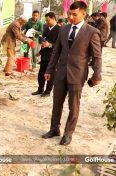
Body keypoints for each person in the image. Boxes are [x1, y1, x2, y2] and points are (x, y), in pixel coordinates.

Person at [42, 1, 102, 145]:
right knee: (57, 103)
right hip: (60, 72)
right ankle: (54, 128)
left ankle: (68, 133)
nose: (70, 17)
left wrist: (97, 75)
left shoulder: (91, 32)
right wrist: (49, 70)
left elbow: (97, 56)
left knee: (73, 105)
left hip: (78, 73)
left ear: (83, 14)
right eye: (69, 14)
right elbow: (56, 51)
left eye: (74, 14)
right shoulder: (63, 29)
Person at [32, 12, 60, 97]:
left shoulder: (59, 30)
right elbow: (44, 41)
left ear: (53, 18)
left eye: (48, 20)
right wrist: (40, 52)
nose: (47, 22)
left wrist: (50, 45)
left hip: (53, 56)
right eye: (46, 20)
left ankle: (47, 91)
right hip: (44, 55)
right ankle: (40, 89)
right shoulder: (46, 28)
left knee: (50, 75)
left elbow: (60, 45)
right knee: (41, 73)